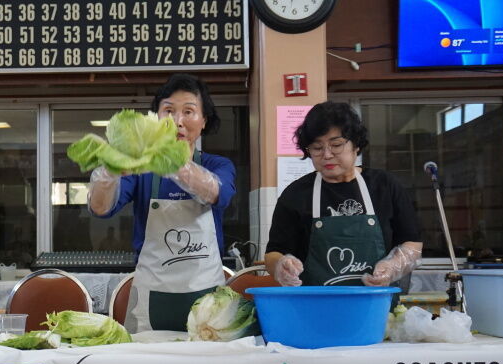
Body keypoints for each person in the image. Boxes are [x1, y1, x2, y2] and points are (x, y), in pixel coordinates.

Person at [87, 73, 236, 332]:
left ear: (203, 121)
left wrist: (174, 164)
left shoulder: (217, 166)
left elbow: (216, 194)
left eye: (189, 111)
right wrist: (108, 171)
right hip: (150, 296)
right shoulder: (142, 171)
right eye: (168, 110)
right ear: (155, 118)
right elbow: (100, 208)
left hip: (209, 296)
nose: (178, 121)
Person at [265, 101, 422, 288]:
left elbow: (412, 243)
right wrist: (281, 267)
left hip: (376, 306)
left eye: (336, 145)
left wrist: (393, 267)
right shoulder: (296, 194)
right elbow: (273, 253)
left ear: (356, 145)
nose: (327, 154)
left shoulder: (385, 186)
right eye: (316, 148)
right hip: (315, 306)